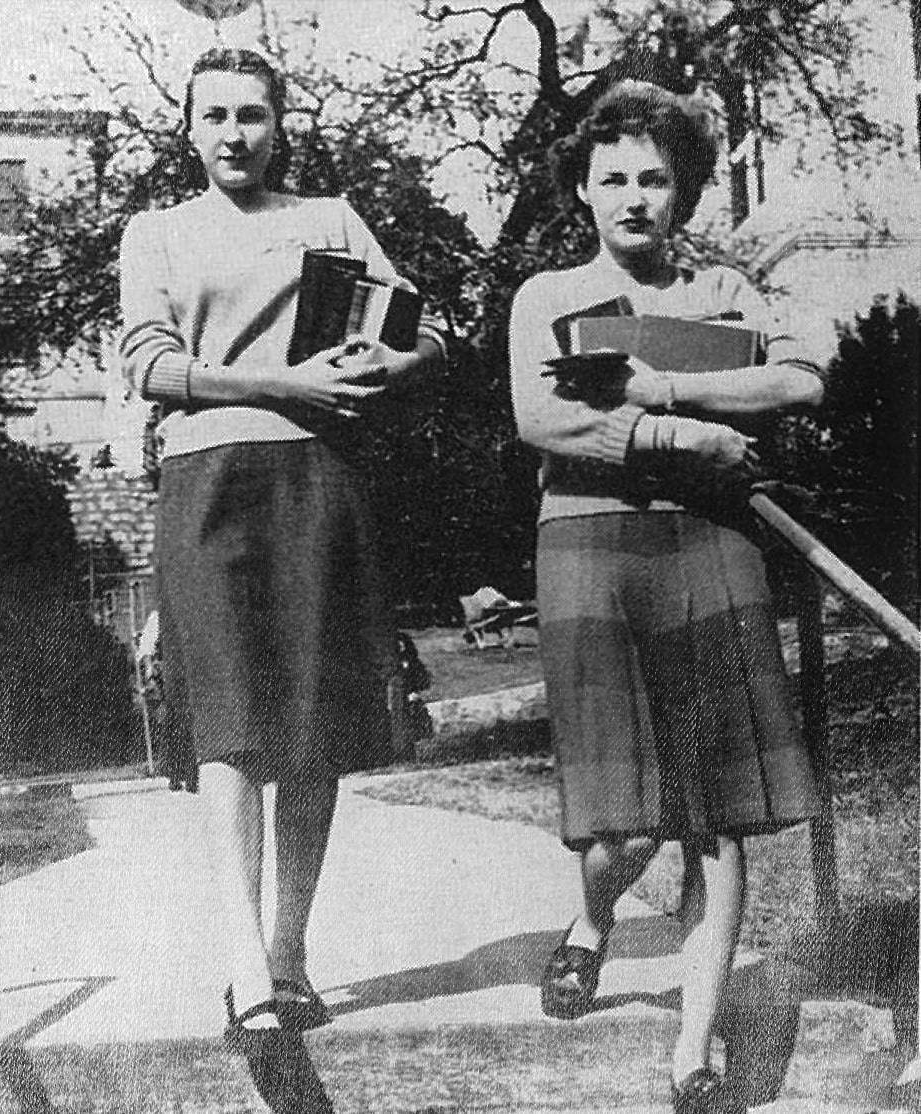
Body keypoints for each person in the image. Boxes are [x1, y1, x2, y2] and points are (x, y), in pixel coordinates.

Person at [509, 80, 824, 1114]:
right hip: (588, 546)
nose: (635, 197)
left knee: (716, 814)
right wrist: (686, 436)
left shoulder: (724, 292)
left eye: (655, 177)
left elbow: (798, 381)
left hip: (710, 545)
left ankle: (694, 1053)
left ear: (683, 188)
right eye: (613, 179)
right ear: (583, 193)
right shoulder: (548, 297)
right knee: (621, 826)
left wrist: (661, 388)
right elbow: (545, 422)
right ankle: (594, 919)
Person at [119, 47, 444, 1041]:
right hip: (210, 488)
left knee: (313, 726)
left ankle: (291, 954)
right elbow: (153, 364)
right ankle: (242, 962)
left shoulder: (331, 220)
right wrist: (278, 385)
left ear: (279, 123)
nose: (233, 135)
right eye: (213, 116)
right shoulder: (159, 233)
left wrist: (381, 364)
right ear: (187, 127)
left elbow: (431, 337)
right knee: (229, 728)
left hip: (320, 483)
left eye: (251, 115)